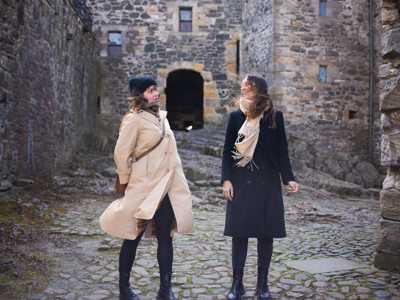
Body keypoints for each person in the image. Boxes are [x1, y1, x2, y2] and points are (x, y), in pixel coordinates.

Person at [99, 76, 193, 300]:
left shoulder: (163, 118)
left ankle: (165, 289)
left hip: (167, 187)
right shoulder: (133, 119)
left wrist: (179, 182)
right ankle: (124, 288)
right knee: (132, 236)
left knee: (165, 237)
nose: (156, 93)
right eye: (151, 90)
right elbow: (121, 154)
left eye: (155, 89)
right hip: (143, 187)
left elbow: (171, 152)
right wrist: (126, 180)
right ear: (140, 94)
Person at [221, 75, 299, 300]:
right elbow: (227, 152)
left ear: (260, 90)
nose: (243, 87)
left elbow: (282, 151)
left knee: (266, 235)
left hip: (268, 183)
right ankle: (237, 285)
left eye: (249, 84)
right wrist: (226, 180)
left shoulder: (275, 117)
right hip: (241, 183)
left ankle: (262, 285)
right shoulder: (236, 117)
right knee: (240, 234)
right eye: (244, 84)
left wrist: (289, 178)